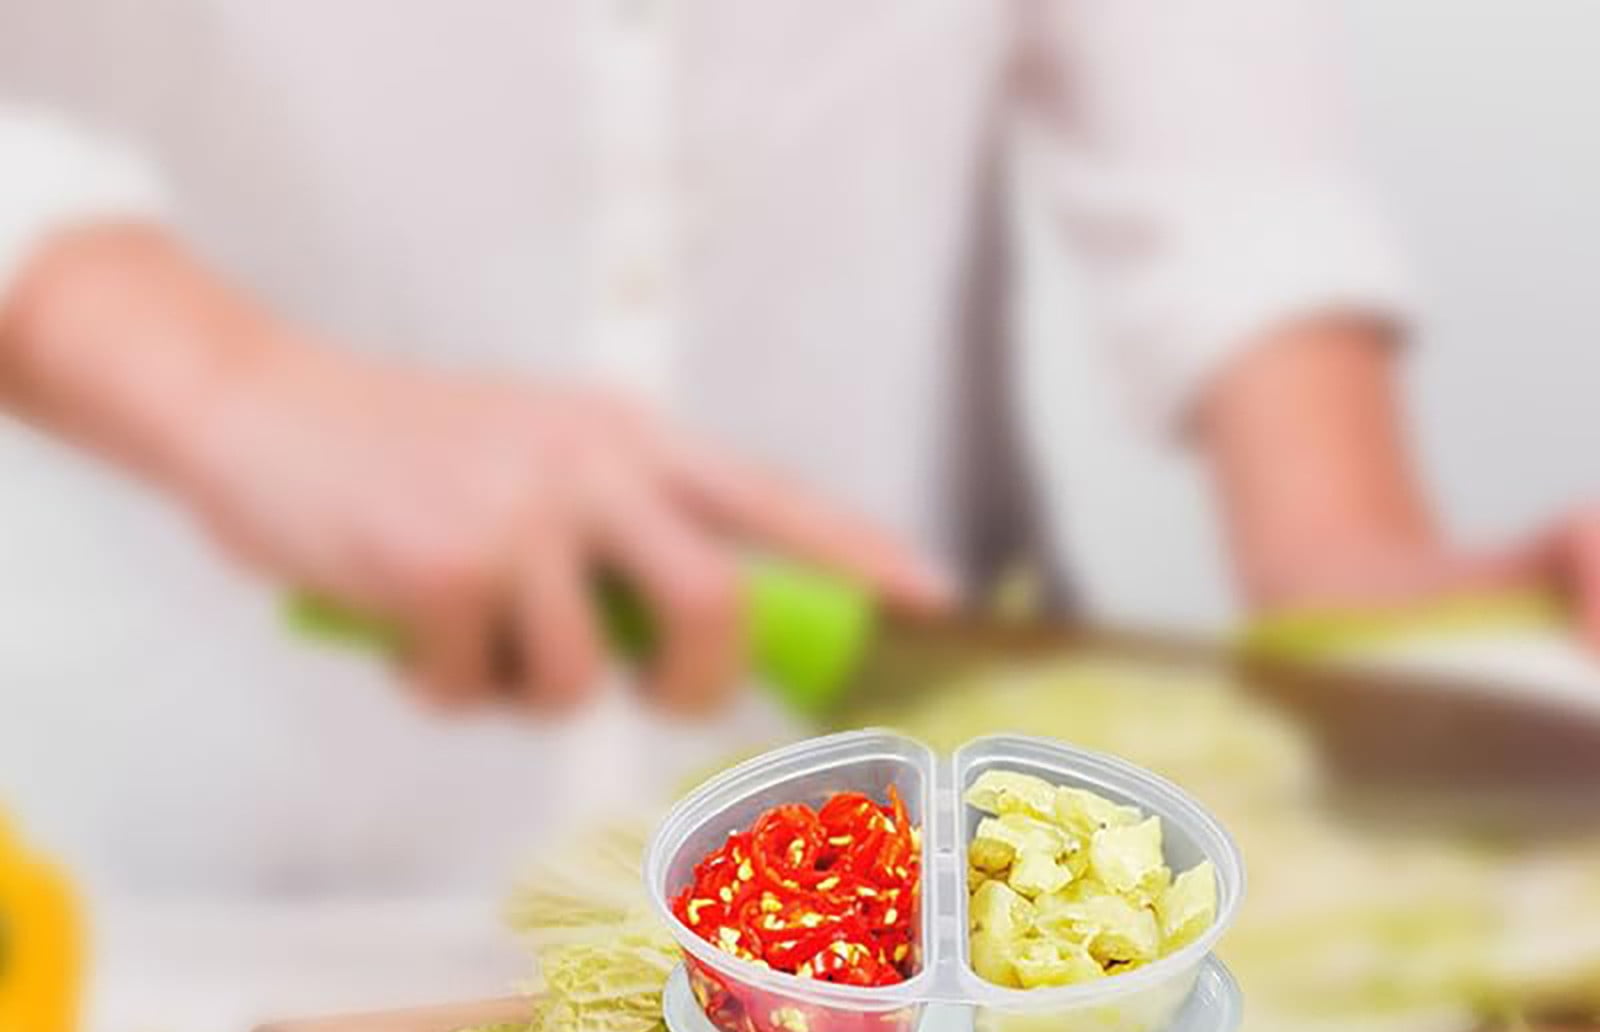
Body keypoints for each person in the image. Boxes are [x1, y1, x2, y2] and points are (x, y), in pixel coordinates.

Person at [0, 3, 1591, 887]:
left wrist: (1369, 591)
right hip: (188, 874)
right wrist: (233, 386)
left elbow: (1232, 178)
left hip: (912, 915)